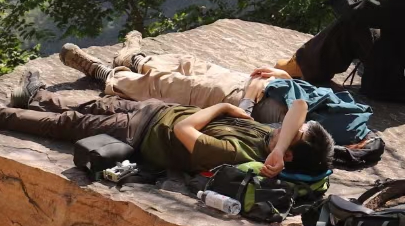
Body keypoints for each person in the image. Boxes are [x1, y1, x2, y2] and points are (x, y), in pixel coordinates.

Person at [0, 69, 334, 178]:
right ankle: (37, 96)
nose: (284, 128)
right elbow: (299, 107)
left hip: (143, 133)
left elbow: (185, 132)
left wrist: (220, 108)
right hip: (154, 110)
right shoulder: (270, 139)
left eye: (292, 135)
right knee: (92, 105)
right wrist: (246, 106)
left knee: (66, 123)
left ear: (289, 154)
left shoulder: (240, 155)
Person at [58, 40, 373, 147]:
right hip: (254, 86)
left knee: (169, 87)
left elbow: (286, 122)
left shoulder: (332, 133)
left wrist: (248, 101)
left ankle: (104, 72)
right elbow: (306, 98)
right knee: (191, 66)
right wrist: (282, 76)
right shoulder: (350, 118)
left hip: (243, 97)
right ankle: (135, 59)